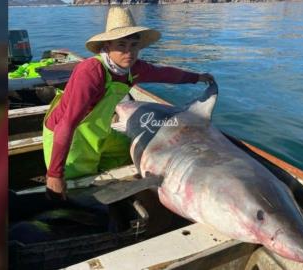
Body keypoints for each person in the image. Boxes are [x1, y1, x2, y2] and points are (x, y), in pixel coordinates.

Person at [43, 6, 214, 200]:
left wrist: (198, 77)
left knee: (127, 152)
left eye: (134, 45)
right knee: (78, 189)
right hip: (69, 134)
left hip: (98, 130)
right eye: (121, 45)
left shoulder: (135, 69)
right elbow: (67, 124)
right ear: (107, 47)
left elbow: (165, 73)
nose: (129, 52)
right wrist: (54, 175)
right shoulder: (91, 72)